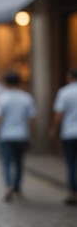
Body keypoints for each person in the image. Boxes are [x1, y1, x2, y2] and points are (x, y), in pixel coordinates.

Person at [0, 71, 36, 203]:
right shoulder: (26, 97)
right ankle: (17, 187)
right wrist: (30, 134)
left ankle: (8, 184)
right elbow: (31, 120)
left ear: (6, 83)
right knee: (19, 162)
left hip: (6, 135)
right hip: (21, 135)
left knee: (6, 162)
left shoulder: (2, 98)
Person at [50, 68, 77, 205]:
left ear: (69, 77)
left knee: (71, 163)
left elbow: (59, 114)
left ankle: (73, 192)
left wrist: (54, 129)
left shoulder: (64, 92)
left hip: (70, 133)